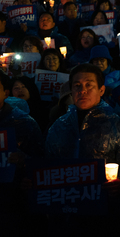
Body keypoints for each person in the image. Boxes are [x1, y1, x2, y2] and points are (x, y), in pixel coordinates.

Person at [45, 63, 120, 236]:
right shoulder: (59, 126)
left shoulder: (116, 124)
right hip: (65, 212)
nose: (83, 90)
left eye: (89, 85)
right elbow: (47, 163)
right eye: (77, 86)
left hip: (103, 212)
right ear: (71, 91)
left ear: (101, 90)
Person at [0, 70, 44, 236]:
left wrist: (24, 160)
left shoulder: (24, 123)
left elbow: (41, 160)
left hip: (15, 201)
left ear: (5, 93)